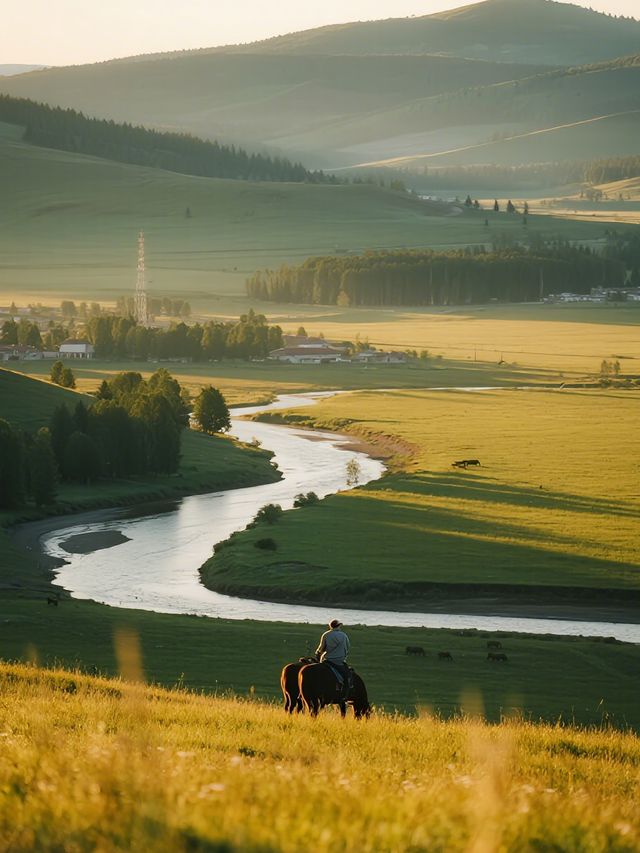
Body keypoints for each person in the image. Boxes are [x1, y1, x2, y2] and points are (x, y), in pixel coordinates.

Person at [316, 619, 352, 696]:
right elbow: (347, 647)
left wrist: (317, 654)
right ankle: (344, 693)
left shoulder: (326, 634)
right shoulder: (344, 635)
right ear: (338, 626)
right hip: (339, 661)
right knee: (346, 676)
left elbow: (321, 648)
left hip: (326, 660)